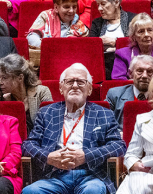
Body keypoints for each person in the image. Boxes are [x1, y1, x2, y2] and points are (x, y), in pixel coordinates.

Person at [21, 62, 125, 194]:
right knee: (31, 191)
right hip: (55, 176)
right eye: (70, 81)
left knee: (93, 190)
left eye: (81, 82)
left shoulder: (103, 113)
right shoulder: (47, 112)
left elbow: (118, 145)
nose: (75, 86)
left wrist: (86, 156)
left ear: (90, 89)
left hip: (91, 175)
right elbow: (28, 145)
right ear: (61, 88)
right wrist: (48, 157)